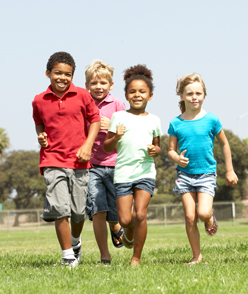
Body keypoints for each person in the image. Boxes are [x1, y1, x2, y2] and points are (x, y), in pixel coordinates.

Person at [32, 52, 101, 267]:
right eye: (57, 73)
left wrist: (88, 145)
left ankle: (75, 241)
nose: (62, 78)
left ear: (73, 75)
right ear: (48, 73)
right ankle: (67, 256)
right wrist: (41, 137)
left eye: (67, 74)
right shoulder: (39, 100)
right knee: (60, 208)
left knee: (79, 212)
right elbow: (39, 123)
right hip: (52, 160)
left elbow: (95, 119)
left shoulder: (82, 95)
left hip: (79, 161)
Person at [168, 73, 238, 265]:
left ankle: (209, 219)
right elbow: (171, 151)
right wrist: (177, 158)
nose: (194, 97)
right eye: (189, 93)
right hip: (184, 175)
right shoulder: (176, 123)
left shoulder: (212, 120)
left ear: (204, 95)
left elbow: (225, 144)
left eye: (198, 93)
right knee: (190, 216)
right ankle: (196, 256)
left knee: (203, 213)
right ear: (181, 95)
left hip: (206, 173)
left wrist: (229, 170)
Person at [104, 64, 162, 266]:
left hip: (145, 172)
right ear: (127, 95)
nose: (137, 95)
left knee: (140, 214)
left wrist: (156, 151)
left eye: (142, 92)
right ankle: (128, 234)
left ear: (150, 96)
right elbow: (107, 145)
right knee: (126, 220)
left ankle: (136, 257)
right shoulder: (118, 117)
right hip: (123, 174)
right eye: (133, 91)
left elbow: (157, 147)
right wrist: (116, 135)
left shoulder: (155, 120)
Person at [84, 60, 126, 264]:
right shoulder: (84, 103)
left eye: (103, 83)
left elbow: (127, 131)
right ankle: (104, 255)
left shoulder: (117, 104)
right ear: (87, 85)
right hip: (92, 166)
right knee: (97, 208)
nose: (98, 87)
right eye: (93, 83)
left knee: (116, 210)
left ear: (111, 85)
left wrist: (113, 125)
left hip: (116, 163)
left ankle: (116, 225)